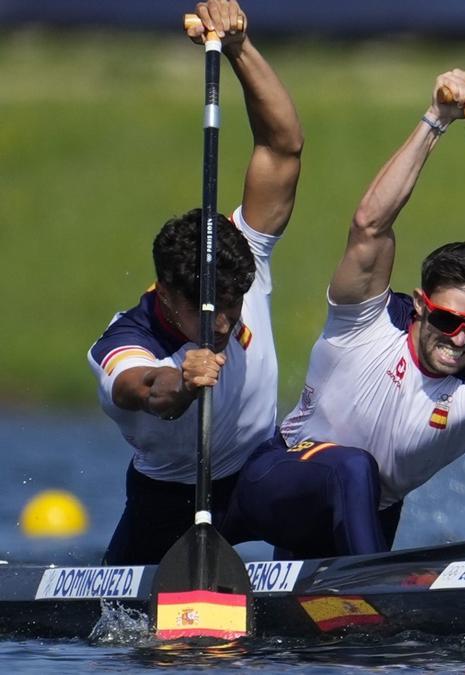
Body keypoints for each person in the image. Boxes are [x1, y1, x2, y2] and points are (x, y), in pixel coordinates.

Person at [224, 70, 465, 559]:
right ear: (419, 304)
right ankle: (371, 602)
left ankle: (357, 617)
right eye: (446, 319)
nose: (459, 339)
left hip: (362, 517)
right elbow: (371, 223)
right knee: (354, 469)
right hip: (276, 480)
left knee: (335, 615)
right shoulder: (367, 316)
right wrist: (436, 119)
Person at [86, 0, 303, 564]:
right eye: (212, 309)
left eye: (235, 304)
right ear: (165, 296)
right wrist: (181, 383)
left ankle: (352, 607)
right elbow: (147, 391)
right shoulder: (122, 342)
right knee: (125, 633)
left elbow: (282, 148)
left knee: (346, 473)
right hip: (168, 499)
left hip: (260, 471)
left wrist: (238, 49)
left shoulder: (238, 252)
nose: (226, 321)